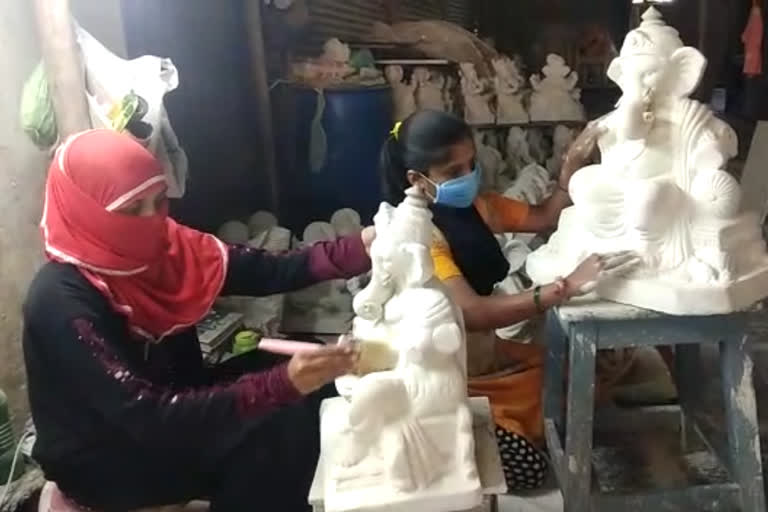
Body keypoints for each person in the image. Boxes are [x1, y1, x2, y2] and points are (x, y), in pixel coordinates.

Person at [23, 130, 373, 512]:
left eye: (158, 202)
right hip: (108, 453)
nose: (151, 220)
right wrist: (278, 387)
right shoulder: (61, 301)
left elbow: (263, 270)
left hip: (172, 402)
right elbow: (145, 415)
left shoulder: (168, 247)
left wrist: (359, 249)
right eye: (131, 209)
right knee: (273, 429)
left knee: (312, 380)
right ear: (85, 211)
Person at [379, 110, 637, 491]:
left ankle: (502, 431)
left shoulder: (479, 206)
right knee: (529, 466)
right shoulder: (421, 235)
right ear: (417, 180)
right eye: (453, 171)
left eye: (471, 165)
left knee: (582, 378)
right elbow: (473, 312)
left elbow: (546, 216)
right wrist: (563, 287)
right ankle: (449, 445)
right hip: (454, 370)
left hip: (488, 354)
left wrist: (573, 164)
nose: (468, 176)